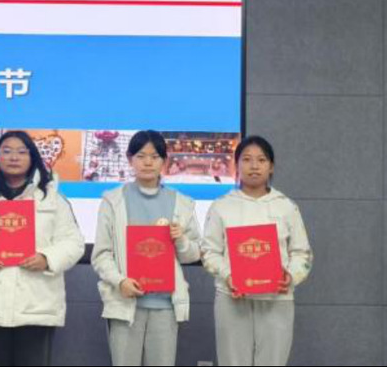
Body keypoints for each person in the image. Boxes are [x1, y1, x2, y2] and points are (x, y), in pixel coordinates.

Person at [0, 130, 85, 366]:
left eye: (22, 152)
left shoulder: (52, 198)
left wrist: (47, 258)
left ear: (32, 157)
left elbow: (74, 243)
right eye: (7, 151)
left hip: (36, 306)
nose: (14, 157)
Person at [92, 130, 201, 366]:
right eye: (141, 156)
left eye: (154, 156)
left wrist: (181, 240)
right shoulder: (113, 201)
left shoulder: (181, 203)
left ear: (164, 161)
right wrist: (120, 281)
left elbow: (193, 254)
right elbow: (101, 255)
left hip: (166, 305)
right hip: (125, 304)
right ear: (130, 159)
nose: (148, 162)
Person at [202, 135, 312, 366]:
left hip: (277, 299)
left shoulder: (286, 206)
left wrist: (291, 276)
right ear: (236, 165)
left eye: (261, 160)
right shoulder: (222, 206)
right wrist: (228, 276)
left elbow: (302, 253)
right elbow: (209, 252)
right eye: (246, 159)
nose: (254, 166)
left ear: (271, 167)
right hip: (232, 299)